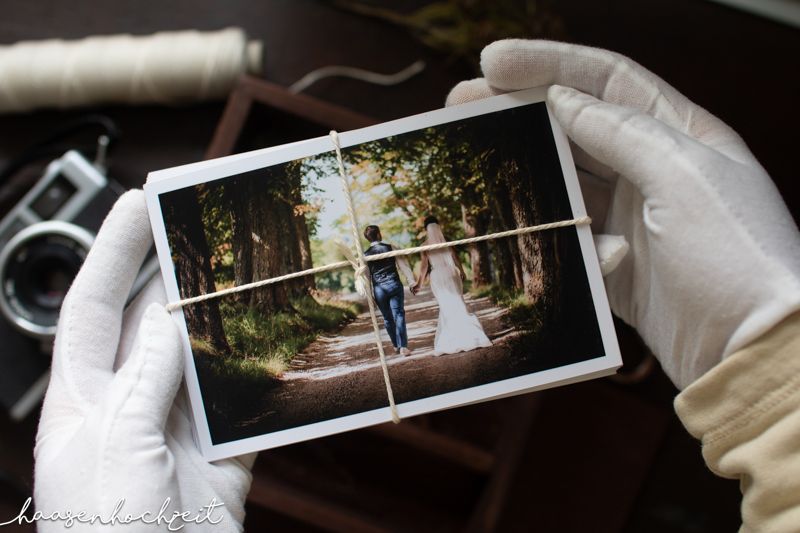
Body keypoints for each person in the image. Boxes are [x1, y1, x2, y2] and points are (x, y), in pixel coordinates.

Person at [30, 39, 799, 531]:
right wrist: (776, 384)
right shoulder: (380, 254)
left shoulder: (390, 249)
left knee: (406, 318)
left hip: (407, 289)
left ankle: (400, 338)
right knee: (401, 318)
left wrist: (774, 388)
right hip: (401, 290)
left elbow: (413, 266)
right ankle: (398, 338)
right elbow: (395, 270)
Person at [412, 215, 492, 355]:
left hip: (437, 276)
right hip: (451, 273)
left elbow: (424, 266)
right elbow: (455, 257)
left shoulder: (424, 246)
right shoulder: (446, 241)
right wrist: (461, 270)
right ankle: (472, 336)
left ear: (425, 229)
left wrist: (419, 283)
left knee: (446, 305)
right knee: (458, 302)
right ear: (438, 226)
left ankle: (453, 338)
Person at [363, 224, 416, 356]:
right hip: (394, 285)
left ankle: (396, 345)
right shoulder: (391, 247)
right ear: (379, 234)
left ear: (368, 239)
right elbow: (404, 266)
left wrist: (369, 295)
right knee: (398, 314)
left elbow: (366, 277)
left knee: (387, 318)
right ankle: (403, 346)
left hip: (379, 289)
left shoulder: (365, 255)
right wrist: (411, 282)